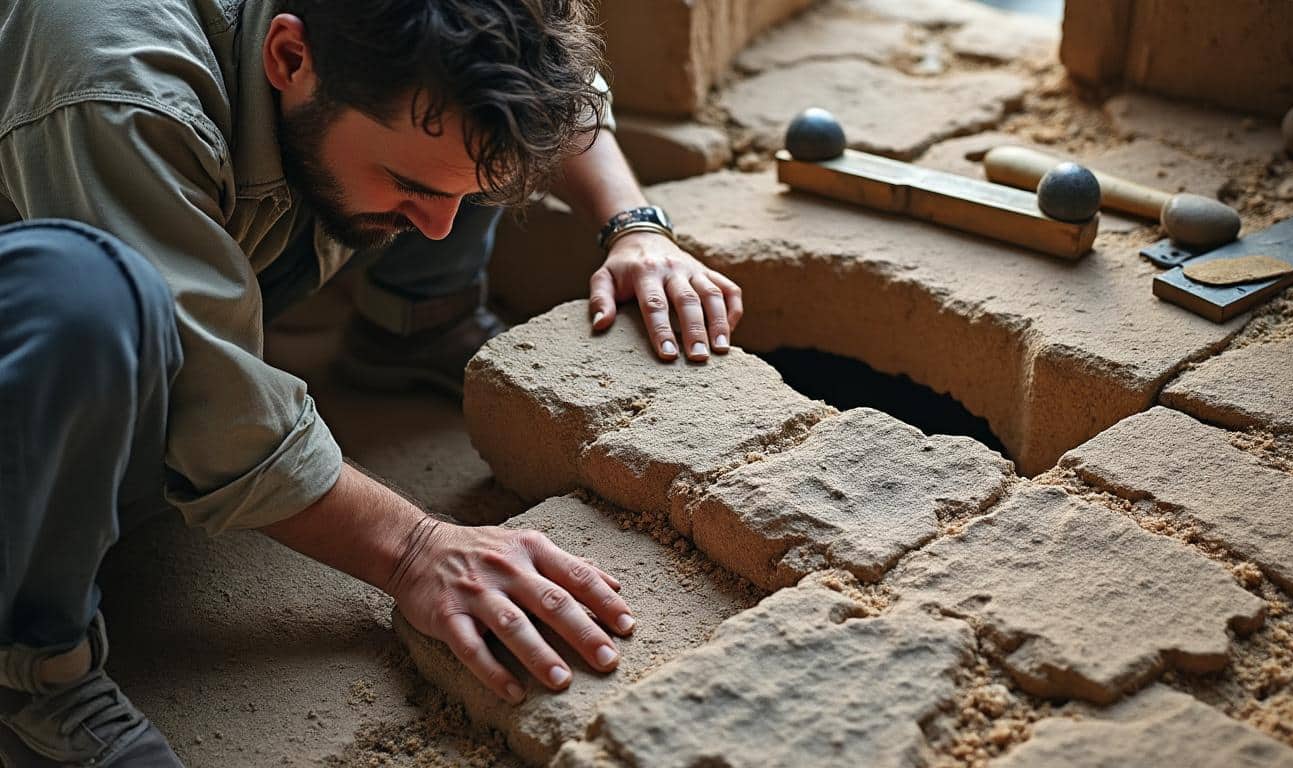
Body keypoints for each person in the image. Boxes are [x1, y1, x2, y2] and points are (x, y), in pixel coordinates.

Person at [0, 0, 744, 764]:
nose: (440, 228)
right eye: (408, 183)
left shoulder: (372, 61)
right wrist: (415, 549)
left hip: (207, 179)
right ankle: (32, 667)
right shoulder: (119, 89)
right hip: (43, 319)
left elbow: (549, 86)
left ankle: (413, 325)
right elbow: (214, 406)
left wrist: (635, 227)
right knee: (88, 300)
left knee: (448, 158)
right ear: (290, 57)